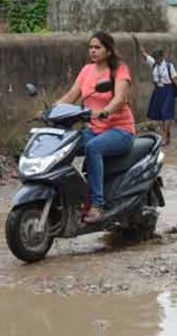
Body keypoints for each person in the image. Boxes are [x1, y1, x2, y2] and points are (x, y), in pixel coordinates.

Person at [55, 31, 135, 224]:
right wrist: (52, 110)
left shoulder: (119, 70)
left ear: (108, 51)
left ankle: (97, 204)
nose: (92, 51)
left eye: (97, 47)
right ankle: (67, 198)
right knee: (64, 145)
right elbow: (71, 95)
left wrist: (105, 111)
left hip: (120, 130)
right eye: (90, 47)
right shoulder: (86, 71)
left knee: (93, 148)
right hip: (95, 130)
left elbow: (119, 98)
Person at [141, 46, 177, 147]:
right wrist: (137, 42)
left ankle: (164, 137)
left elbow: (174, 79)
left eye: (158, 57)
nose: (156, 59)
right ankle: (167, 134)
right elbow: (144, 54)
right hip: (158, 91)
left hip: (168, 91)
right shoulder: (154, 64)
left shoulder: (169, 66)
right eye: (155, 58)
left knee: (166, 113)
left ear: (162, 57)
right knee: (160, 115)